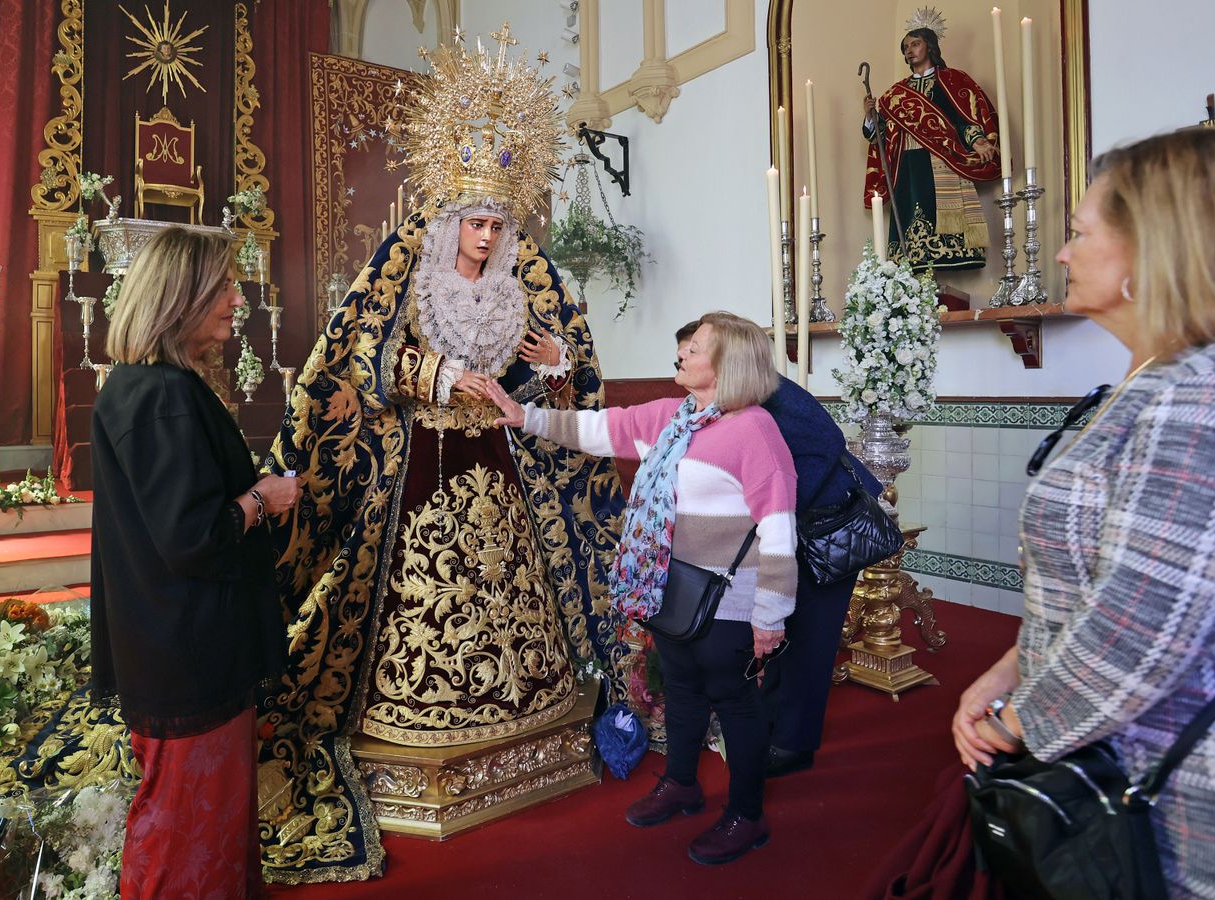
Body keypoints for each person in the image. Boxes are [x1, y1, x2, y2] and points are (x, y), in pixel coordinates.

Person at [256, 34, 627, 883]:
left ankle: (530, 706)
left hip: (500, 460)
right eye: (477, 222)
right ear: (451, 215)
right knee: (405, 595)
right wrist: (434, 371)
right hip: (417, 461)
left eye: (499, 223)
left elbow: (564, 361)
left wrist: (554, 367)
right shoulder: (405, 263)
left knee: (513, 582)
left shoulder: (525, 274)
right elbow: (357, 355)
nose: (488, 238)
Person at [949, 129, 1215, 897]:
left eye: (1079, 233)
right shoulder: (1169, 378)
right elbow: (1108, 575)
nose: (1065, 254)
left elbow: (1145, 623)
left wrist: (1018, 725)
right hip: (1127, 750)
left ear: (1159, 247)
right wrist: (1011, 672)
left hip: (1195, 791)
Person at [487, 310, 799, 867]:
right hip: (667, 590)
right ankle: (682, 784)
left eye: (696, 349)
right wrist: (523, 416)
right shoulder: (674, 418)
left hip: (729, 602)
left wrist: (770, 614)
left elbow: (779, 526)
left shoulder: (754, 430)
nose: (682, 354)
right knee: (680, 689)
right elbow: (599, 430)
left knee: (735, 703)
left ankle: (748, 815)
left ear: (728, 364)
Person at [89, 227, 300, 898]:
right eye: (224, 288)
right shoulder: (164, 396)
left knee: (195, 828)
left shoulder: (142, 385)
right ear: (182, 297)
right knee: (187, 836)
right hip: (189, 653)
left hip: (173, 643)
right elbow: (193, 536)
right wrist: (263, 500)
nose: (237, 300)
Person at [670, 320, 885, 778]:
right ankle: (774, 727)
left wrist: (769, 509)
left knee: (811, 642)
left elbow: (823, 447)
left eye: (694, 350)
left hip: (829, 530)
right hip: (802, 532)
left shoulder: (769, 392)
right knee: (784, 637)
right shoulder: (735, 398)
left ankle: (794, 745)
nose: (684, 360)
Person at [863, 14, 1000, 270]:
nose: (909, 50)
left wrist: (978, 140)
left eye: (914, 44)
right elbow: (882, 138)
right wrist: (872, 118)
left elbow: (963, 119)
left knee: (940, 216)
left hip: (941, 161)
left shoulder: (952, 81)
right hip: (906, 166)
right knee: (909, 221)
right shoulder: (895, 94)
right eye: (905, 47)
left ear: (930, 46)